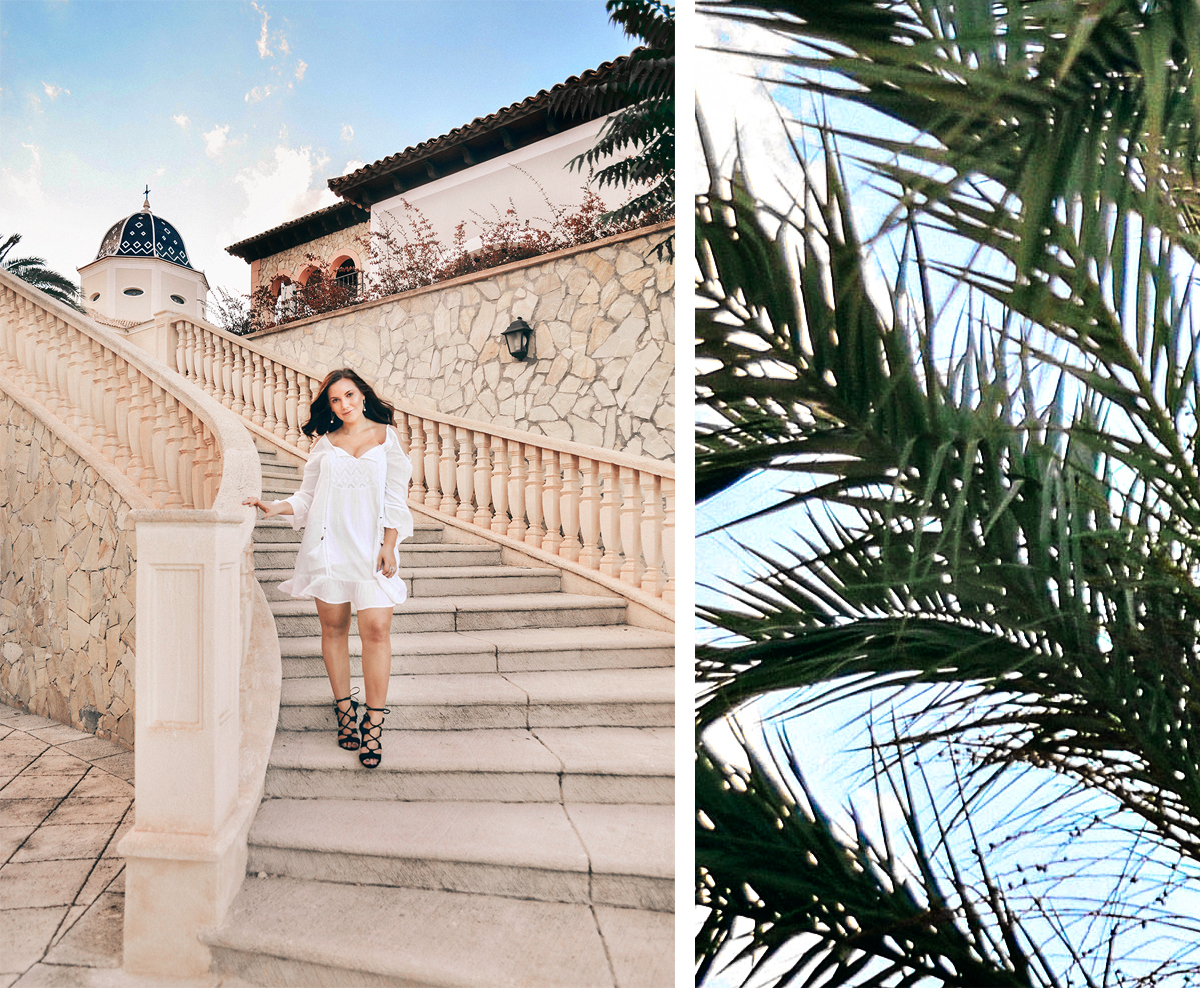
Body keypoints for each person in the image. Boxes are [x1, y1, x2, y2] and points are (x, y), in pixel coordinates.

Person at [244, 368, 412, 768]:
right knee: (334, 629)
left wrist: (390, 545)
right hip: (330, 548)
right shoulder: (325, 444)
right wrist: (275, 507)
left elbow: (395, 497)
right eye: (335, 400)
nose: (344, 405)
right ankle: (343, 709)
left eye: (349, 395)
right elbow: (306, 496)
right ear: (329, 405)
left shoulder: (386, 437)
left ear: (363, 395)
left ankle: (373, 723)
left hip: (372, 550)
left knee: (376, 629)